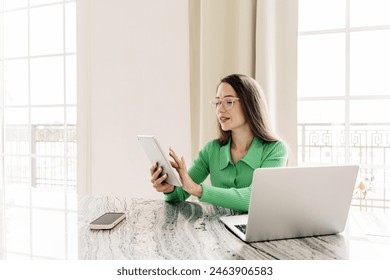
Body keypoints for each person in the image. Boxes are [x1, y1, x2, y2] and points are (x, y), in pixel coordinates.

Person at [150, 74, 288, 212]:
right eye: (218, 102)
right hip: (218, 230)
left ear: (249, 104)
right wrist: (168, 189)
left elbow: (256, 198)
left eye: (228, 102)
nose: (220, 109)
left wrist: (198, 190)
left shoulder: (275, 149)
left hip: (258, 231)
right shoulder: (212, 150)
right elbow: (180, 194)